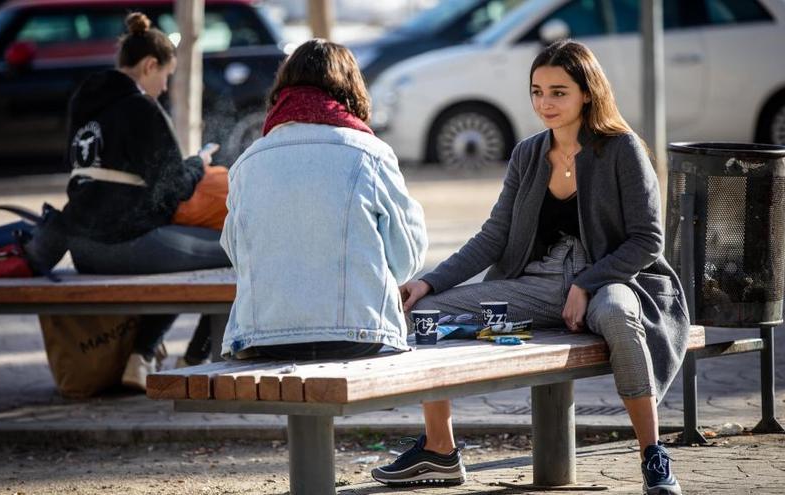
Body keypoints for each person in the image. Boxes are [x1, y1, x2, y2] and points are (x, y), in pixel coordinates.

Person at [371, 40, 689, 495]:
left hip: (614, 278)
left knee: (619, 317)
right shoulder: (527, 153)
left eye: (558, 92)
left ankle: (653, 455)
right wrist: (428, 281)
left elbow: (646, 240)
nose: (545, 103)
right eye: (537, 91)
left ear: (587, 93)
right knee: (426, 316)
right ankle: (439, 450)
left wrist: (586, 283)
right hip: (536, 282)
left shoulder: (621, 149)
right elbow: (493, 237)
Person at [219, 39, 427, 361]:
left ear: (282, 89)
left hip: (262, 337)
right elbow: (406, 257)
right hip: (359, 333)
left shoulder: (246, 164)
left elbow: (238, 255)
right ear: (351, 89)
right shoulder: (370, 154)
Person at [61, 12, 231, 390]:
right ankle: (196, 361)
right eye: (166, 75)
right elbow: (173, 188)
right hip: (125, 242)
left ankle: (141, 359)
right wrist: (197, 164)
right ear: (150, 65)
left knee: (177, 257)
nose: (165, 86)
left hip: (81, 247)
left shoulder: (84, 104)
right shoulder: (140, 108)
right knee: (238, 251)